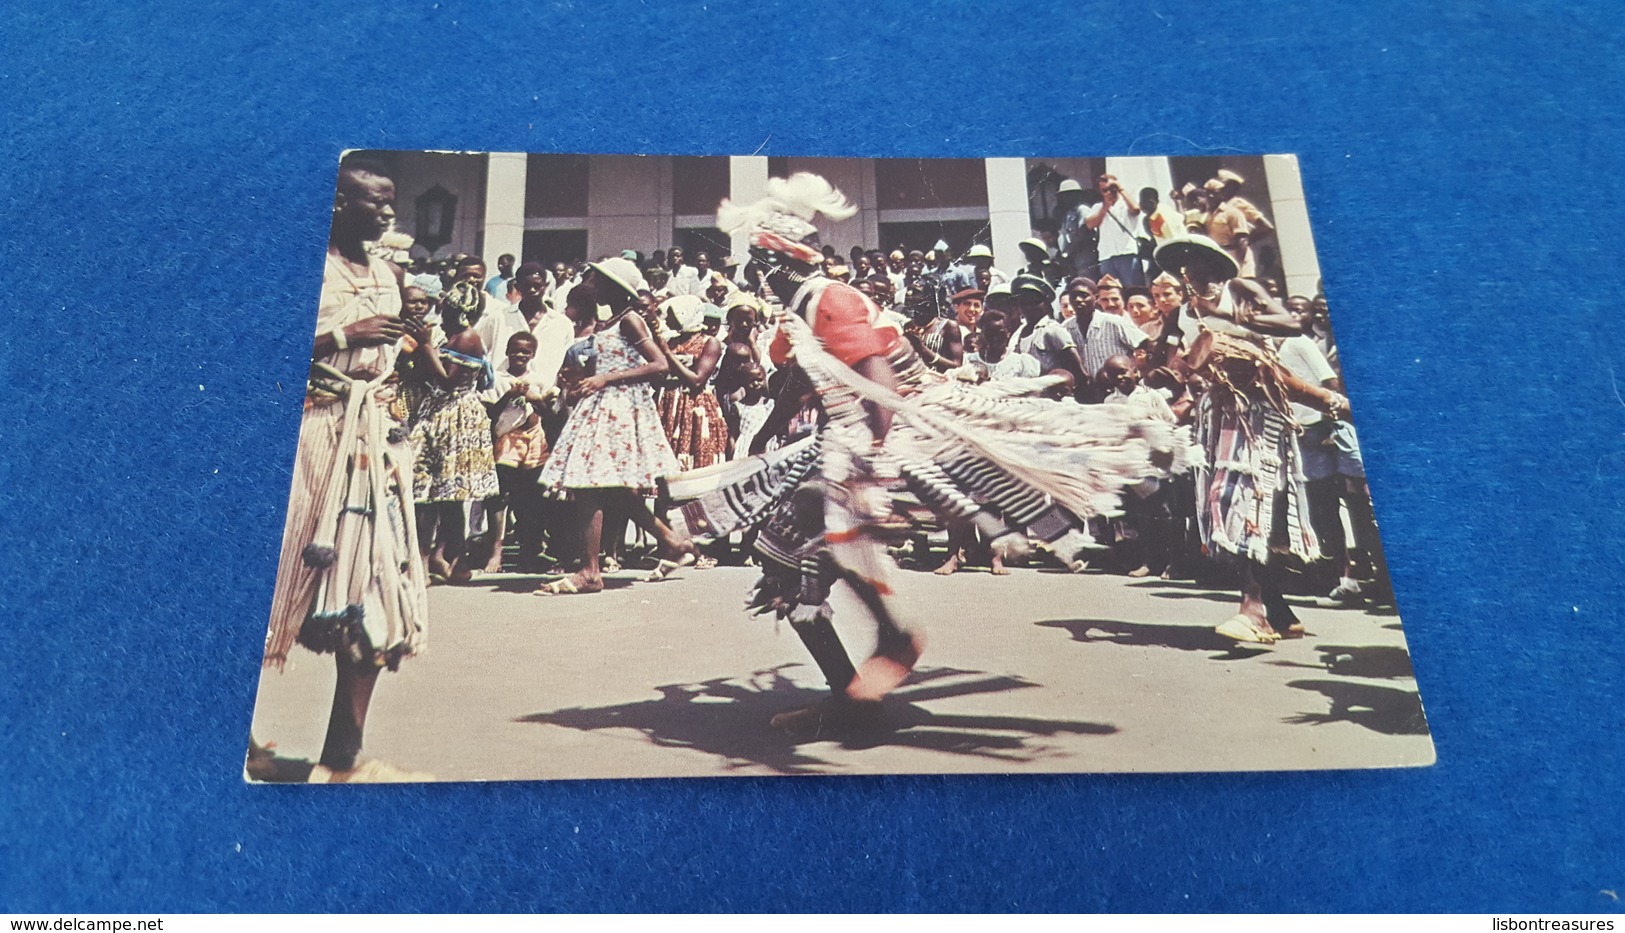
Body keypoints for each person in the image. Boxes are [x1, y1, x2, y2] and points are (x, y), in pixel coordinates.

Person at [253, 155, 429, 783]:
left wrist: (407, 337)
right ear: (334, 203)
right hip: (307, 434)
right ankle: (237, 742)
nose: (385, 212)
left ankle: (343, 756)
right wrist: (342, 334)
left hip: (368, 442)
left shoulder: (387, 270)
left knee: (377, 594)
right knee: (271, 586)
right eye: (371, 201)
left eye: (390, 202)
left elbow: (390, 356)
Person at [1152, 235, 1349, 644]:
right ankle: (1277, 610)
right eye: (1180, 265)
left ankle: (1254, 609)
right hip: (1217, 411)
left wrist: (1247, 319)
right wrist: (1174, 370)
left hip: (1260, 406)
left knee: (1246, 498)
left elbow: (1295, 323)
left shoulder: (1239, 290)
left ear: (1215, 264)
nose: (1187, 270)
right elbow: (1169, 359)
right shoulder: (1183, 312)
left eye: (1194, 261)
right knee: (1225, 503)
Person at [533, 259, 695, 595]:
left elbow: (659, 365)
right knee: (616, 489)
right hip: (604, 404)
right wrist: (581, 381)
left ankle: (590, 571)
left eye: (597, 279)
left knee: (591, 485)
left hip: (619, 406)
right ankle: (672, 542)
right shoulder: (612, 321)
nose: (590, 282)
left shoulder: (632, 320)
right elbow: (608, 362)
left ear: (613, 286)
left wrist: (605, 378)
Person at [652, 295, 730, 473]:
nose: (669, 319)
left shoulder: (709, 343)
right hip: (667, 403)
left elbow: (697, 380)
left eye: (673, 314)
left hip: (693, 405)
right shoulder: (672, 341)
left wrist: (666, 353)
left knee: (693, 455)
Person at [1063, 275, 1149, 399]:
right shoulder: (1066, 327)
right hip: (1088, 392)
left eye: (1084, 295)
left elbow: (1144, 342)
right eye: (1073, 296)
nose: (1078, 300)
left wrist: (1134, 368)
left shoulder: (1113, 322)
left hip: (1118, 390)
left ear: (1096, 298)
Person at [1086, 173, 1145, 286]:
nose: (1109, 192)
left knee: (1132, 288)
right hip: (1107, 256)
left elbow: (1136, 209)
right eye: (1105, 190)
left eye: (1112, 189)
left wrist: (1121, 189)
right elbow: (1090, 224)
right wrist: (1105, 207)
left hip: (1127, 253)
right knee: (1112, 291)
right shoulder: (1098, 207)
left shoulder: (1125, 204)